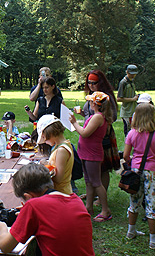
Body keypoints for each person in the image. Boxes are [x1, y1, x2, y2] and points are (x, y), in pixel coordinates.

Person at [0, 163, 94, 256]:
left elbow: (5, 247)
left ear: (27, 196)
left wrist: (2, 229)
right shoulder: (76, 200)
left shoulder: (33, 206)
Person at [123, 103, 155, 249]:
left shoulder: (132, 133)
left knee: (134, 202)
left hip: (136, 171)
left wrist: (133, 163)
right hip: (153, 173)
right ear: (153, 117)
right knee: (152, 205)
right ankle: (153, 240)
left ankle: (131, 231)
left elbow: (125, 155)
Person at [70, 91, 113, 222]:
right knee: (88, 181)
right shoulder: (96, 116)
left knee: (96, 182)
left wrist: (74, 122)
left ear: (94, 103)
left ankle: (106, 211)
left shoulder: (98, 117)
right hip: (86, 152)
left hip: (92, 154)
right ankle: (88, 207)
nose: (88, 104)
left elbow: (84, 133)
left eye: (89, 102)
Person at [79, 70, 120, 194]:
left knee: (103, 168)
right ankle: (92, 193)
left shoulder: (105, 97)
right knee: (92, 169)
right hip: (91, 135)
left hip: (103, 135)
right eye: (89, 82)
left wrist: (97, 121)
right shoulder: (92, 95)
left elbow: (112, 117)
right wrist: (82, 113)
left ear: (100, 82)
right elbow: (88, 114)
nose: (91, 85)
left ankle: (101, 194)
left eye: (94, 83)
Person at [37, 114, 73, 195]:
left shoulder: (61, 150)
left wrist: (46, 165)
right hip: (59, 191)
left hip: (61, 193)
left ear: (49, 133)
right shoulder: (61, 145)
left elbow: (58, 179)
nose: (45, 142)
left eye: (44, 138)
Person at [117, 64, 139, 137]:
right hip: (126, 112)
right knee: (128, 132)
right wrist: (132, 99)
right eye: (131, 74)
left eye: (134, 74)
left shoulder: (132, 81)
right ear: (127, 72)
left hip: (133, 110)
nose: (132, 76)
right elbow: (119, 98)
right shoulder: (123, 82)